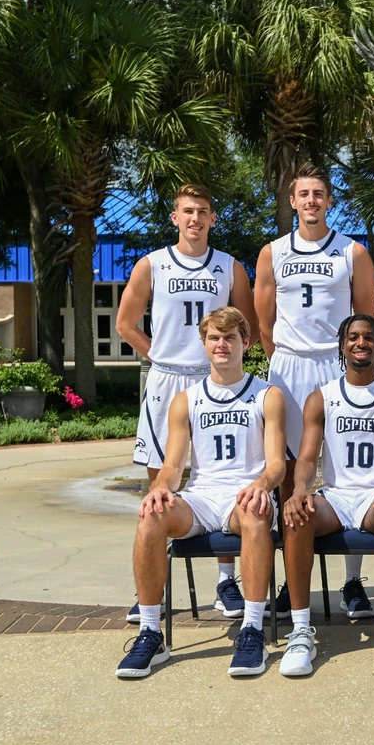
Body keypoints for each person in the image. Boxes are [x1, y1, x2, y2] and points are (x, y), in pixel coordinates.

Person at [115, 308, 285, 678]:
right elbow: (173, 467)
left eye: (230, 338)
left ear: (246, 343)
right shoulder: (186, 400)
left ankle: (252, 630)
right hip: (202, 497)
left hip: (245, 495)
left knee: (256, 512)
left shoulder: (267, 395)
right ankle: (150, 633)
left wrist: (261, 485)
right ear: (204, 344)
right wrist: (160, 489)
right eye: (214, 338)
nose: (222, 344)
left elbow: (277, 464)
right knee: (151, 516)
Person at [116, 184, 258, 624]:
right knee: (161, 483)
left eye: (203, 211)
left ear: (213, 219)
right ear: (175, 217)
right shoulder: (152, 264)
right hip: (167, 380)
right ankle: (150, 592)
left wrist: (224, 359)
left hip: (216, 380)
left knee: (224, 475)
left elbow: (248, 326)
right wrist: (160, 356)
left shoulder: (230, 267)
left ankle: (226, 582)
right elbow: (125, 323)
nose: (195, 218)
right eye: (187, 211)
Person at [254, 164, 374, 621]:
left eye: (318, 193)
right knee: (291, 472)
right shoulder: (272, 252)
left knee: (350, 469)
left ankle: (352, 582)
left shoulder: (352, 251)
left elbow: (365, 319)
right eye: (303, 193)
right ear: (293, 201)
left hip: (335, 361)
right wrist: (287, 358)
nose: (311, 200)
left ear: (329, 200)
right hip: (290, 365)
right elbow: (264, 320)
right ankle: (294, 583)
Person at [279, 315, 374, 677]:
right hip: (337, 497)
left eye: (369, 337)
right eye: (353, 337)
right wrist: (299, 490)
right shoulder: (321, 397)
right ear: (342, 346)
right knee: (296, 517)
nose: (361, 343)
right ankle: (300, 631)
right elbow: (306, 458)